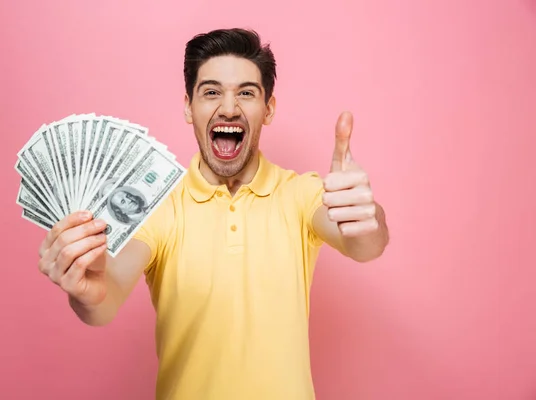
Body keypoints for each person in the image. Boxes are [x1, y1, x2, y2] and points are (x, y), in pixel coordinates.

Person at [36, 28, 390, 400]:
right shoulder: (159, 205)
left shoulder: (299, 194)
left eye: (247, 93)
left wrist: (368, 217)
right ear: (189, 106)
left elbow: (364, 245)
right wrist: (88, 292)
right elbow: (105, 299)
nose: (228, 107)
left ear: (268, 109)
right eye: (211, 92)